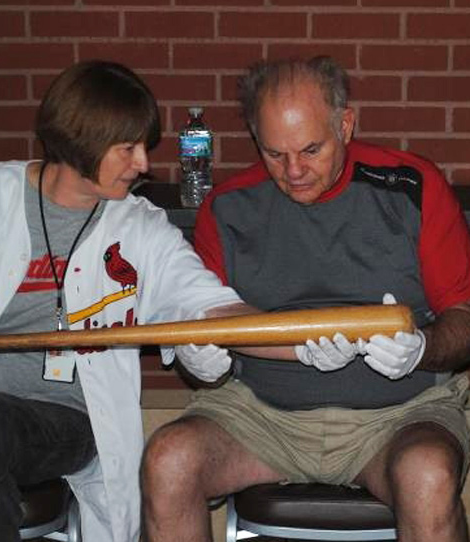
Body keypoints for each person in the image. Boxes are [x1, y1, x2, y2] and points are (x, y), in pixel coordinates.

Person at [0, 60, 299, 542]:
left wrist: (310, 342)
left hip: (61, 417)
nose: (144, 164)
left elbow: (214, 307)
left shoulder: (139, 229)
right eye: (127, 148)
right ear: (78, 141)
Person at [141, 56, 470, 542]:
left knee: (429, 474)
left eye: (311, 149)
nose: (294, 171)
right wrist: (201, 359)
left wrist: (421, 348)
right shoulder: (228, 207)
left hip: (398, 416)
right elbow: (206, 328)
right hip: (261, 415)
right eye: (274, 153)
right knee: (169, 460)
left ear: (346, 124)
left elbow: (464, 319)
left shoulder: (413, 186)